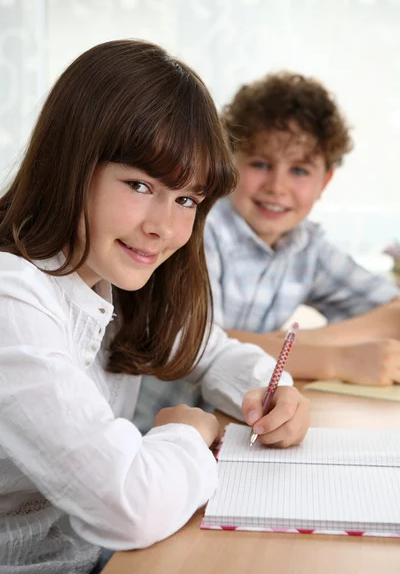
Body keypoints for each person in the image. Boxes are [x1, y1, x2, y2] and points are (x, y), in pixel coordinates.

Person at [0, 41, 310, 573]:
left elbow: (213, 355)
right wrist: (192, 429)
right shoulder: (13, 300)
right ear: (71, 164)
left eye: (186, 199)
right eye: (140, 185)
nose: (163, 227)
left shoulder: (112, 281)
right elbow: (129, 507)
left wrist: (266, 388)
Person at [133, 71, 400, 434]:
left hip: (234, 426)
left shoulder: (307, 246)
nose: (277, 187)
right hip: (153, 430)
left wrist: (290, 345)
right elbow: (202, 344)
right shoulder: (197, 231)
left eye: (300, 170)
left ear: (325, 182)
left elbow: (394, 313)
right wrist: (337, 359)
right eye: (260, 164)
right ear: (229, 162)